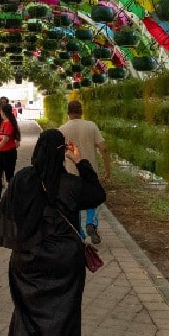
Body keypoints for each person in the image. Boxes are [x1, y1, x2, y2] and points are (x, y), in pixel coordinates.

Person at [0, 129, 106, 336]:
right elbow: (98, 194)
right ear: (62, 152)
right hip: (64, 263)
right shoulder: (71, 185)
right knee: (64, 317)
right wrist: (81, 161)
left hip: (27, 260)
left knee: (26, 315)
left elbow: (6, 211)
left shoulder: (22, 179)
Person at [58, 100, 111, 244]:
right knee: (92, 200)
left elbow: (57, 154)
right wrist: (108, 170)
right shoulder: (91, 126)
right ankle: (91, 224)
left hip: (71, 175)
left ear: (68, 113)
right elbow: (104, 148)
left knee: (73, 204)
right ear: (81, 111)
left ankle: (79, 233)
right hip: (89, 172)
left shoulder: (62, 130)